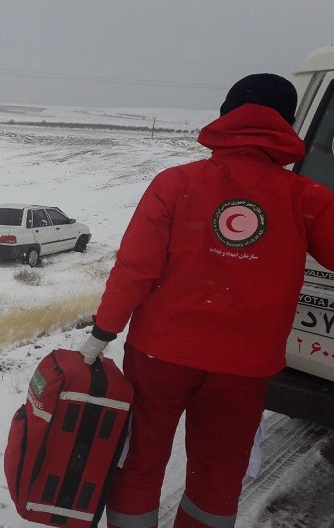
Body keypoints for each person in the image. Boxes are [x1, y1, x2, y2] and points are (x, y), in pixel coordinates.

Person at [77, 74, 334, 528]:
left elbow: (136, 268)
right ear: (288, 124)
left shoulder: (175, 183)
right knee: (218, 475)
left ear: (225, 116)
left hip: (160, 354)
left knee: (140, 460)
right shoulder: (306, 197)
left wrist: (102, 333)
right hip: (244, 366)